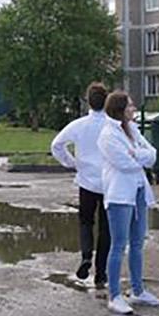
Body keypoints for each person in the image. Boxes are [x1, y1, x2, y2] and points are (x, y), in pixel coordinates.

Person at [98, 91, 159, 316]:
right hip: (119, 195)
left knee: (137, 243)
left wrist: (135, 153)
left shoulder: (132, 130)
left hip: (138, 191)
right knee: (118, 245)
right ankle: (114, 295)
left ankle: (138, 290)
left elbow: (153, 154)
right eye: (130, 106)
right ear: (119, 109)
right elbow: (124, 164)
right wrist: (139, 156)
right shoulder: (107, 135)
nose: (133, 108)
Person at [49, 82, 111, 295]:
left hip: (86, 181)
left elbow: (56, 145)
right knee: (106, 228)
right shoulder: (113, 125)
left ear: (88, 101)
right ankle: (101, 272)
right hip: (109, 182)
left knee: (86, 221)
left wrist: (71, 162)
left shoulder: (79, 124)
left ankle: (86, 256)